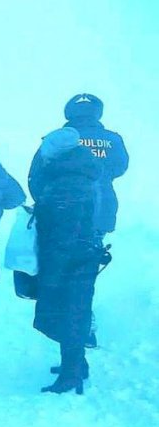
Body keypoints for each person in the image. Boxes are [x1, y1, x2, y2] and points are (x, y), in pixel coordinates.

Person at [28, 127, 102, 394]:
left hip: (68, 259)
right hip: (81, 255)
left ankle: (72, 376)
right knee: (74, 312)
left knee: (67, 314)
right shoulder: (76, 173)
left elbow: (64, 232)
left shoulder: (67, 182)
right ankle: (76, 365)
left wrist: (52, 273)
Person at [62, 93, 129, 347]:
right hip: (101, 210)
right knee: (86, 268)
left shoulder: (60, 138)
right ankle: (83, 323)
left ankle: (76, 324)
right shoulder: (112, 139)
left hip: (64, 213)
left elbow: (39, 173)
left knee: (66, 269)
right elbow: (121, 167)